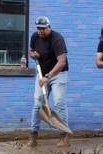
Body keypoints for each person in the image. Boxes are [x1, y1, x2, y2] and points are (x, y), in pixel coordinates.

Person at [28, 16, 70, 147]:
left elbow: (61, 62)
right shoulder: (35, 37)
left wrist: (48, 77)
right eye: (38, 28)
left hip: (58, 74)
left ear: (49, 27)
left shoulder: (57, 39)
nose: (40, 31)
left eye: (43, 28)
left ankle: (64, 135)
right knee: (37, 104)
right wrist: (33, 55)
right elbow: (31, 51)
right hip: (42, 74)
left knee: (59, 103)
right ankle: (33, 135)